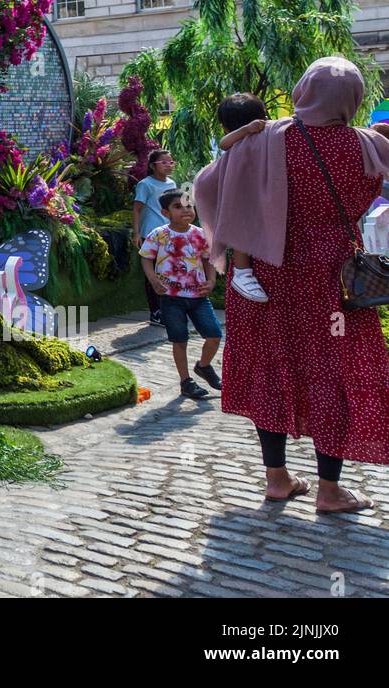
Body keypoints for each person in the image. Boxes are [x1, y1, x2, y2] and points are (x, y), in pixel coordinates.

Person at [194, 56, 389, 512]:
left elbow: (205, 186)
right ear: (354, 99)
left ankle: (277, 478)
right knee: (333, 374)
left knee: (268, 369)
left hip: (267, 277)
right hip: (334, 282)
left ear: (303, 90)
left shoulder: (266, 139)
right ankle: (329, 490)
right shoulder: (365, 147)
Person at [139, 190, 221, 400]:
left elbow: (209, 259)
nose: (185, 210)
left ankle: (203, 366)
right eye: (178, 207)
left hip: (198, 297)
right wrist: (153, 279)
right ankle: (186, 381)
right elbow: (146, 258)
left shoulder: (200, 234)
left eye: (188, 205)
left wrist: (211, 281)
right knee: (180, 340)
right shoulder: (158, 234)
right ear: (166, 212)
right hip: (170, 297)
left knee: (214, 335)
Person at [213, 93, 270, 302]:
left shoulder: (269, 133)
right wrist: (245, 130)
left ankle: (243, 270)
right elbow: (223, 143)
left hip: (262, 193)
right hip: (242, 196)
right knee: (241, 233)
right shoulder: (240, 138)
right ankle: (242, 271)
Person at [132, 149, 178, 325]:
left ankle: (168, 309)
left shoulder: (172, 184)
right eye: (164, 162)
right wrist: (136, 233)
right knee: (152, 273)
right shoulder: (145, 184)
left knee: (169, 271)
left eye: (171, 162)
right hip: (150, 234)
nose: (169, 165)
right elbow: (137, 209)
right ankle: (155, 311)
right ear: (153, 166)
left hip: (169, 233)